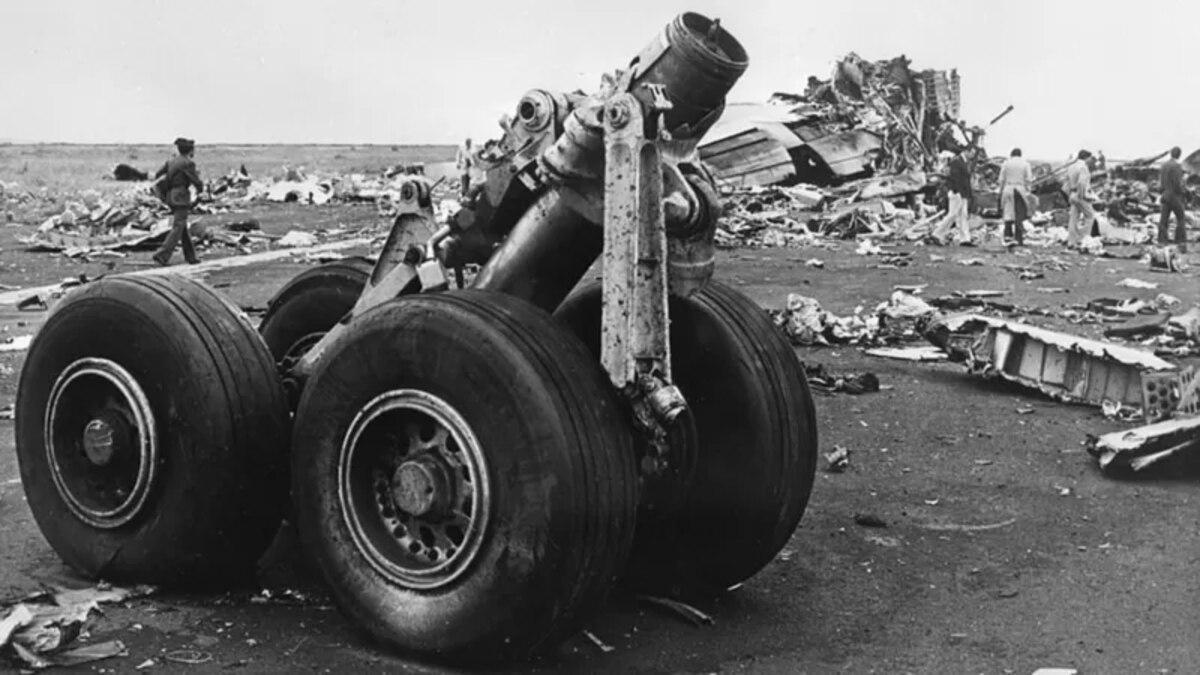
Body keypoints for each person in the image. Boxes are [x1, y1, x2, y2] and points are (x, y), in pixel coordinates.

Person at [152, 137, 203, 266]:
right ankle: (162, 255)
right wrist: (201, 190)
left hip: (170, 196)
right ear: (190, 150)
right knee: (178, 226)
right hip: (181, 197)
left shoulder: (171, 161)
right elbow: (195, 181)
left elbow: (158, 175)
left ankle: (191, 256)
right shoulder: (188, 163)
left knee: (182, 226)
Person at [932, 149, 973, 246]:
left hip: (962, 194)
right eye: (972, 153)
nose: (972, 155)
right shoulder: (957, 161)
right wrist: (956, 191)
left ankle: (965, 239)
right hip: (957, 193)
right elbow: (954, 178)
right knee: (953, 214)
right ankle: (937, 234)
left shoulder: (962, 162)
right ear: (966, 151)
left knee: (963, 215)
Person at [997, 147, 1033, 246]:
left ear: (1011, 154)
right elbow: (1029, 179)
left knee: (1008, 213)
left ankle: (1008, 236)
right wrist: (1028, 189)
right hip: (1019, 189)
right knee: (1019, 214)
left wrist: (1000, 192)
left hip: (1008, 188)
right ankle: (1018, 238)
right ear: (1020, 155)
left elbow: (1001, 179)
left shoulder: (1006, 163)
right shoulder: (1026, 164)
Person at [1158, 146, 1189, 252]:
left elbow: (1161, 183)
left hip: (1165, 195)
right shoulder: (1177, 166)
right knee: (1181, 218)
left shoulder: (1164, 165)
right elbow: (1177, 183)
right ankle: (1180, 242)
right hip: (1174, 196)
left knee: (1163, 220)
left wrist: (1163, 192)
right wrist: (1183, 192)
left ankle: (1162, 242)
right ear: (1179, 154)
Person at [1064, 149, 1095, 249]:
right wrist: (1082, 195)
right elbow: (1082, 183)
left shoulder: (1071, 166)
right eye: (1090, 158)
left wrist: (1070, 193)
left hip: (1072, 193)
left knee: (1073, 218)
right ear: (1086, 157)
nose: (1091, 160)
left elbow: (1066, 183)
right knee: (1090, 216)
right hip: (1079, 194)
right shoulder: (1083, 167)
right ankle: (1083, 238)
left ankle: (1071, 241)